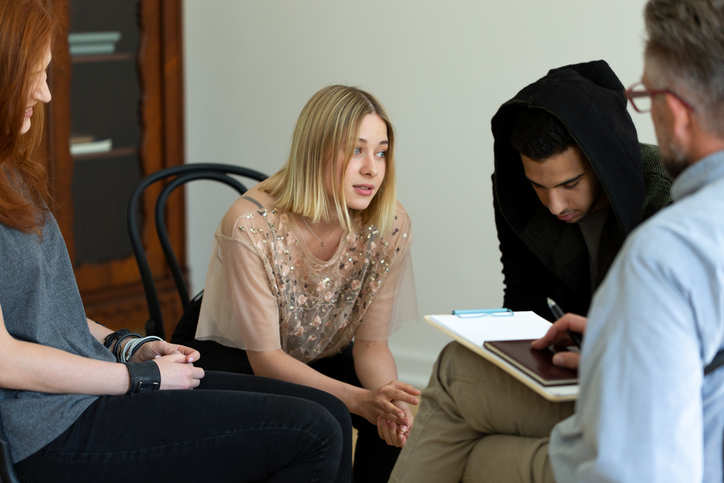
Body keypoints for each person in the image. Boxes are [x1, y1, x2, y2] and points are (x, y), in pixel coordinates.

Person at [0, 1, 352, 482]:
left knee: (328, 410)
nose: (43, 93)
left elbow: (47, 312)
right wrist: (140, 380)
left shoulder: (10, 174)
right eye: (33, 75)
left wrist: (131, 346)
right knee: (315, 432)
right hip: (53, 432)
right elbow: (7, 359)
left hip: (92, 392)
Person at [393, 0, 724, 481]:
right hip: (612, 379)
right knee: (459, 380)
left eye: (569, 184)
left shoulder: (662, 245)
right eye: (538, 186)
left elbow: (641, 458)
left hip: (644, 416)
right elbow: (522, 298)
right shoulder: (522, 200)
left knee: (464, 430)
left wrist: (612, 351)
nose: (553, 205)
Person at [174, 85, 421, 482]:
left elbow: (373, 347)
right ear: (315, 150)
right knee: (335, 414)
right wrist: (360, 400)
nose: (373, 169)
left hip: (313, 350)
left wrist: (386, 400)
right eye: (356, 150)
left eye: (381, 151)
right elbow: (265, 359)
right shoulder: (251, 224)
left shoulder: (389, 224)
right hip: (234, 359)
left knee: (391, 419)